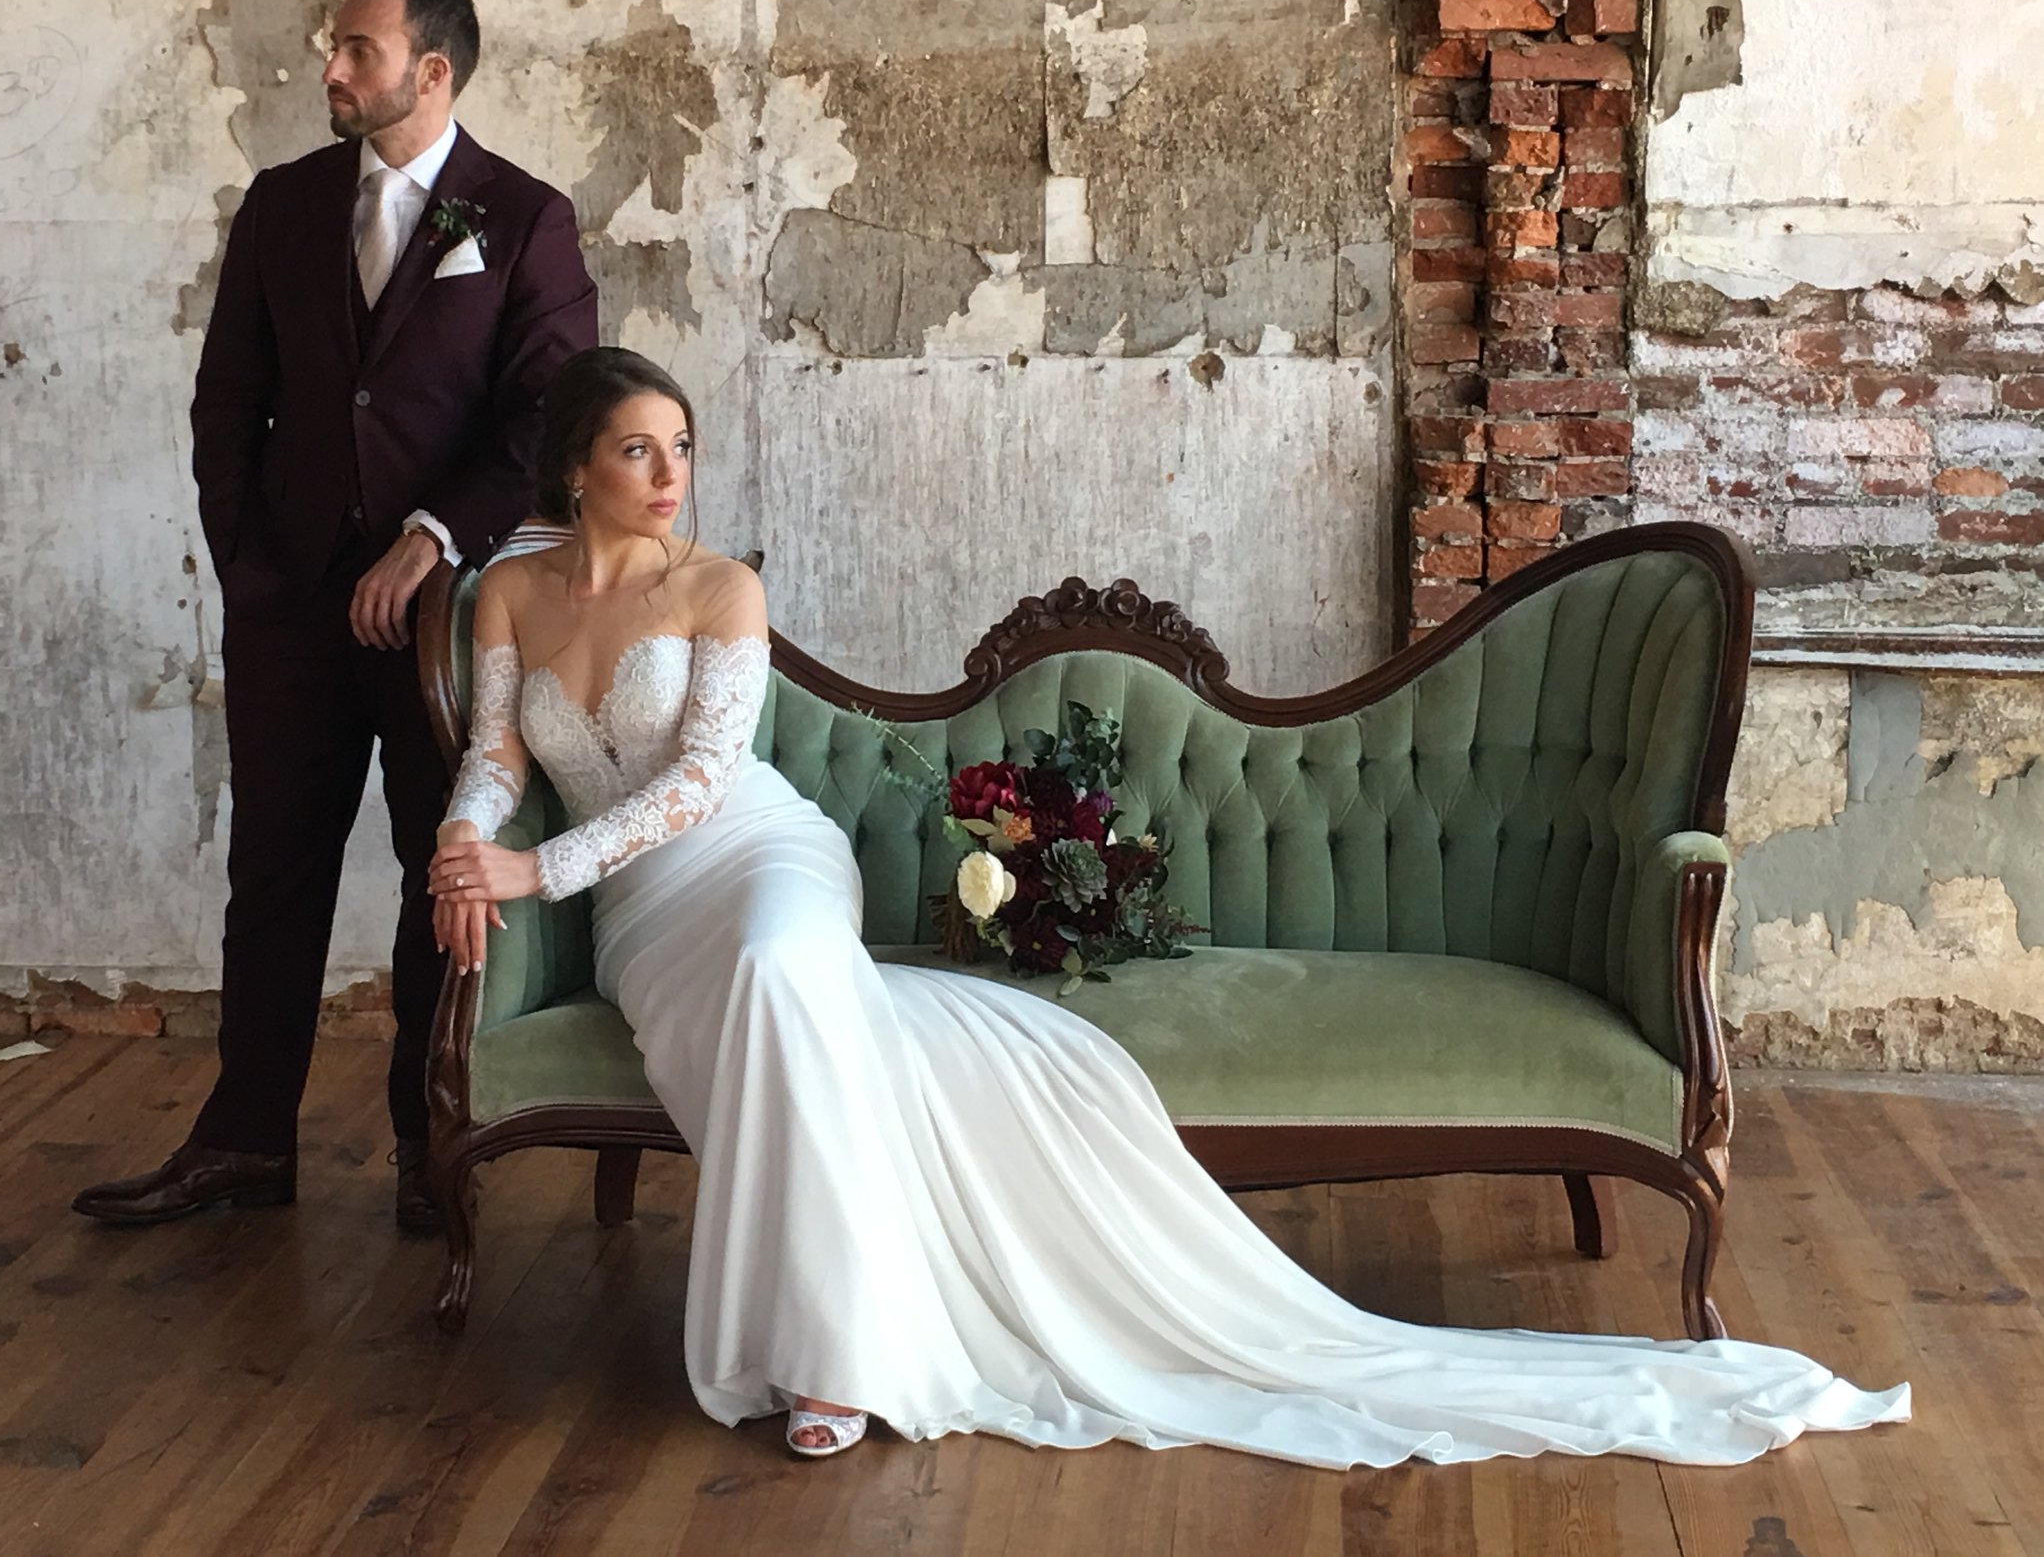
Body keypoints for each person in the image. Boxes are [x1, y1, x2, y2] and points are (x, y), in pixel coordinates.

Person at [425, 345, 1912, 1465]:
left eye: (682, 443)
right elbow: (495, 754)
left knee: (778, 970)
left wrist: (532, 869)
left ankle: (838, 1354)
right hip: (636, 914)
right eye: (639, 450)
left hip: (753, 854)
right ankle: (831, 1316)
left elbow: (696, 781)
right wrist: (457, 841)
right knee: (777, 1027)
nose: (673, 473)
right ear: (575, 473)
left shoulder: (721, 590)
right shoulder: (512, 594)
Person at [75, 0, 596, 1235]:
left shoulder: (523, 220)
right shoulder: (283, 205)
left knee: (443, 879)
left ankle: (432, 1140)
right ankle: (245, 1139)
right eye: (332, 49)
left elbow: (551, 415)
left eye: (357, 52)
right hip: (291, 613)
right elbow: (224, 407)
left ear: (432, 71)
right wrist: (252, 570)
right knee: (272, 878)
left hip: (445, 620)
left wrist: (431, 539)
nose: (330, 71)